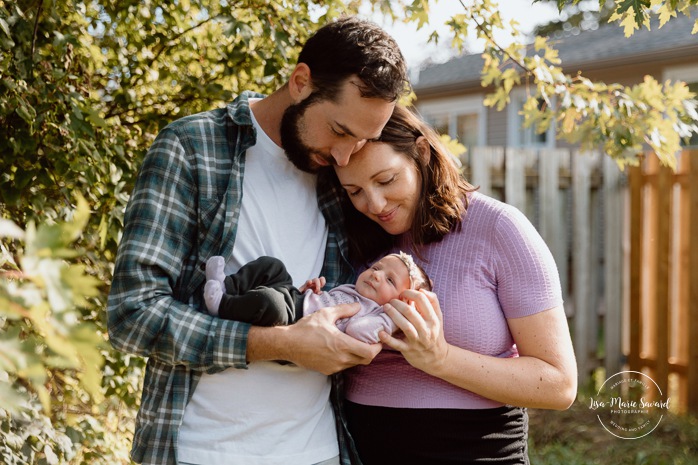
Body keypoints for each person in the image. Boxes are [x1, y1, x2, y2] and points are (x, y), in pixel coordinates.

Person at [107, 15, 408, 465]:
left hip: (321, 450)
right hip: (202, 451)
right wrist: (280, 344)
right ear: (301, 81)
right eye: (341, 131)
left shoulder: (341, 178)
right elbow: (132, 314)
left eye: (363, 140)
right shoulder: (192, 148)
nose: (346, 156)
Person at [325, 105, 578, 464]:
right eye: (355, 191)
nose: (375, 203)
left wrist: (440, 359)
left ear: (422, 153)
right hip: (360, 449)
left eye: (386, 180)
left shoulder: (499, 228)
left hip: (472, 449)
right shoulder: (353, 239)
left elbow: (559, 384)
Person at [202, 252, 432, 344]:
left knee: (268, 302)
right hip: (297, 299)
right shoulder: (354, 289)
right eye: (376, 267)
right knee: (273, 266)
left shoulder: (375, 316)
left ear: (400, 303)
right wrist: (311, 289)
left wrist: (391, 319)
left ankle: (222, 305)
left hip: (294, 320)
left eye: (390, 280)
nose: (376, 275)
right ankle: (227, 285)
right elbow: (326, 300)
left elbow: (355, 330)